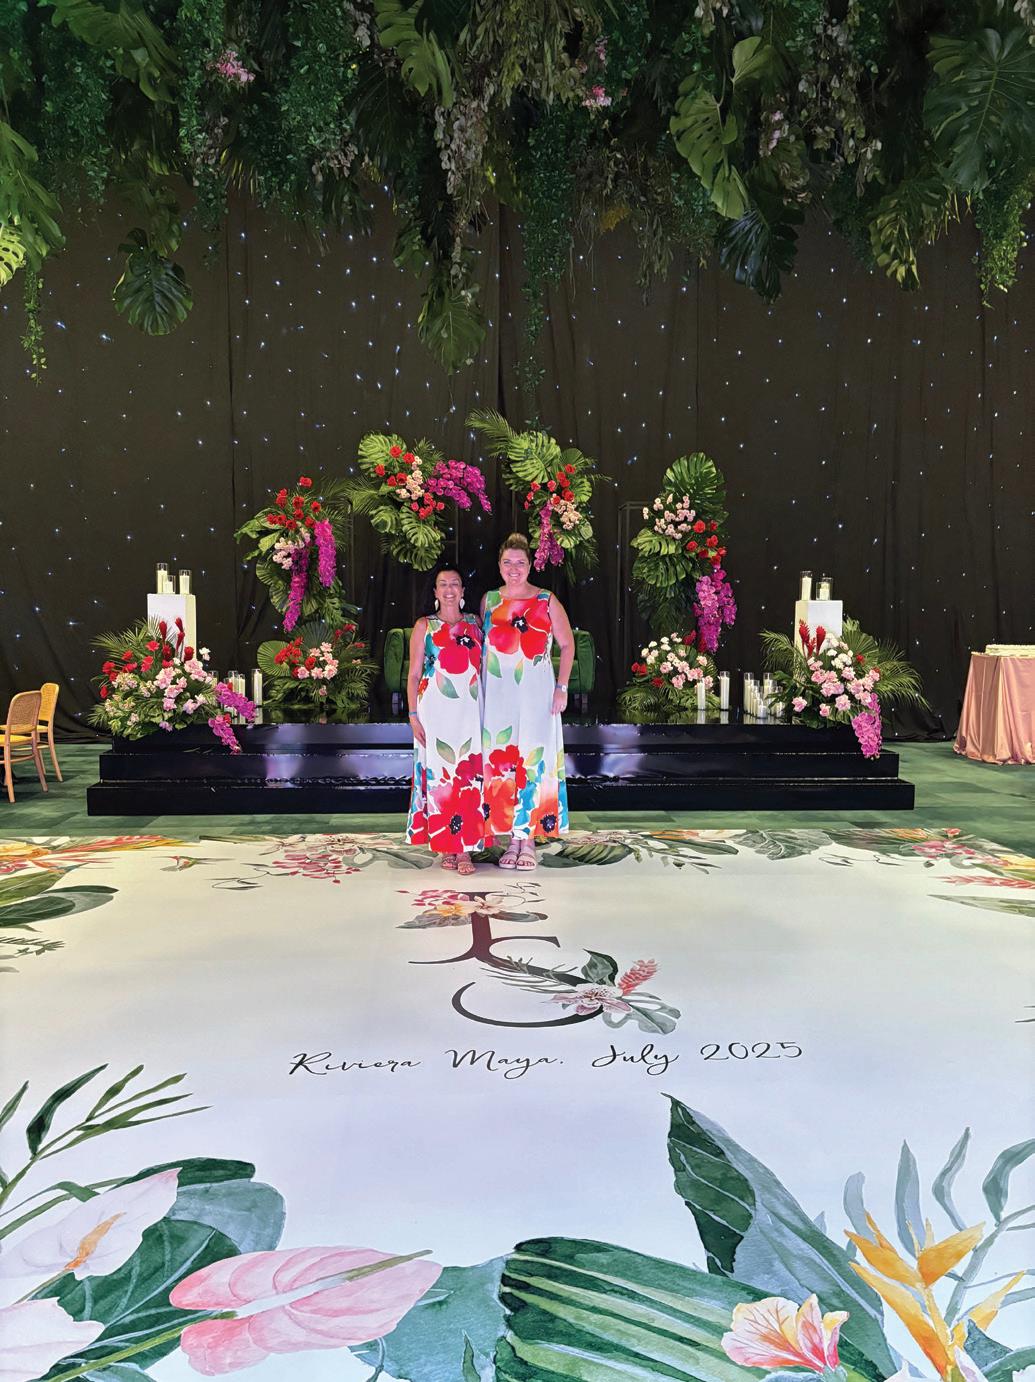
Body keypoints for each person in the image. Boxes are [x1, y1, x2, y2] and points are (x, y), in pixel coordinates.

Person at [481, 533, 573, 869]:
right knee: (503, 761)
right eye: (508, 562)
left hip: (536, 693)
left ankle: (529, 839)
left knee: (533, 759)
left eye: (520, 562)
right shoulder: (490, 600)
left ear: (530, 565)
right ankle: (511, 839)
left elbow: (567, 645)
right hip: (499, 695)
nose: (514, 568)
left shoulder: (546, 600)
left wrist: (561, 687)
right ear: (499, 566)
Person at [406, 567, 485, 874]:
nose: (449, 589)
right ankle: (446, 845)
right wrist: (413, 715)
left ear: (463, 591)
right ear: (435, 592)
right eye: (443, 585)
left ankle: (465, 849)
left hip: (470, 708)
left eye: (455, 584)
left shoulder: (475, 623)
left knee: (467, 775)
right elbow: (414, 674)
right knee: (440, 775)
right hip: (435, 709)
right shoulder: (424, 626)